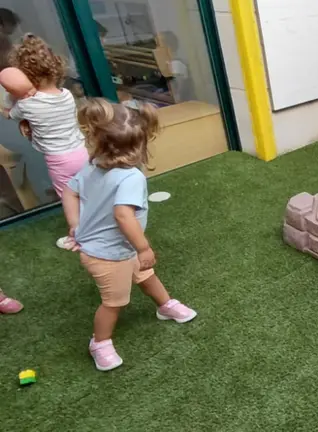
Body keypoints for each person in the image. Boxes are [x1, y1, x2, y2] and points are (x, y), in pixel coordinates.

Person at [62, 98, 197, 372]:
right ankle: (99, 343)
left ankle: (165, 305)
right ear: (141, 143)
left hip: (113, 248)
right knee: (113, 302)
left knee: (145, 275)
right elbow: (123, 215)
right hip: (108, 254)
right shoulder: (131, 177)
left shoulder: (94, 164)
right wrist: (143, 247)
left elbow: (69, 191)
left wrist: (75, 225)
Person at [4, 34, 90, 247]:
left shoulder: (27, 105)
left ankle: (78, 237)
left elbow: (10, 114)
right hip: (81, 152)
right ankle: (99, 222)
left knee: (69, 200)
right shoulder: (67, 95)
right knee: (88, 191)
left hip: (59, 160)